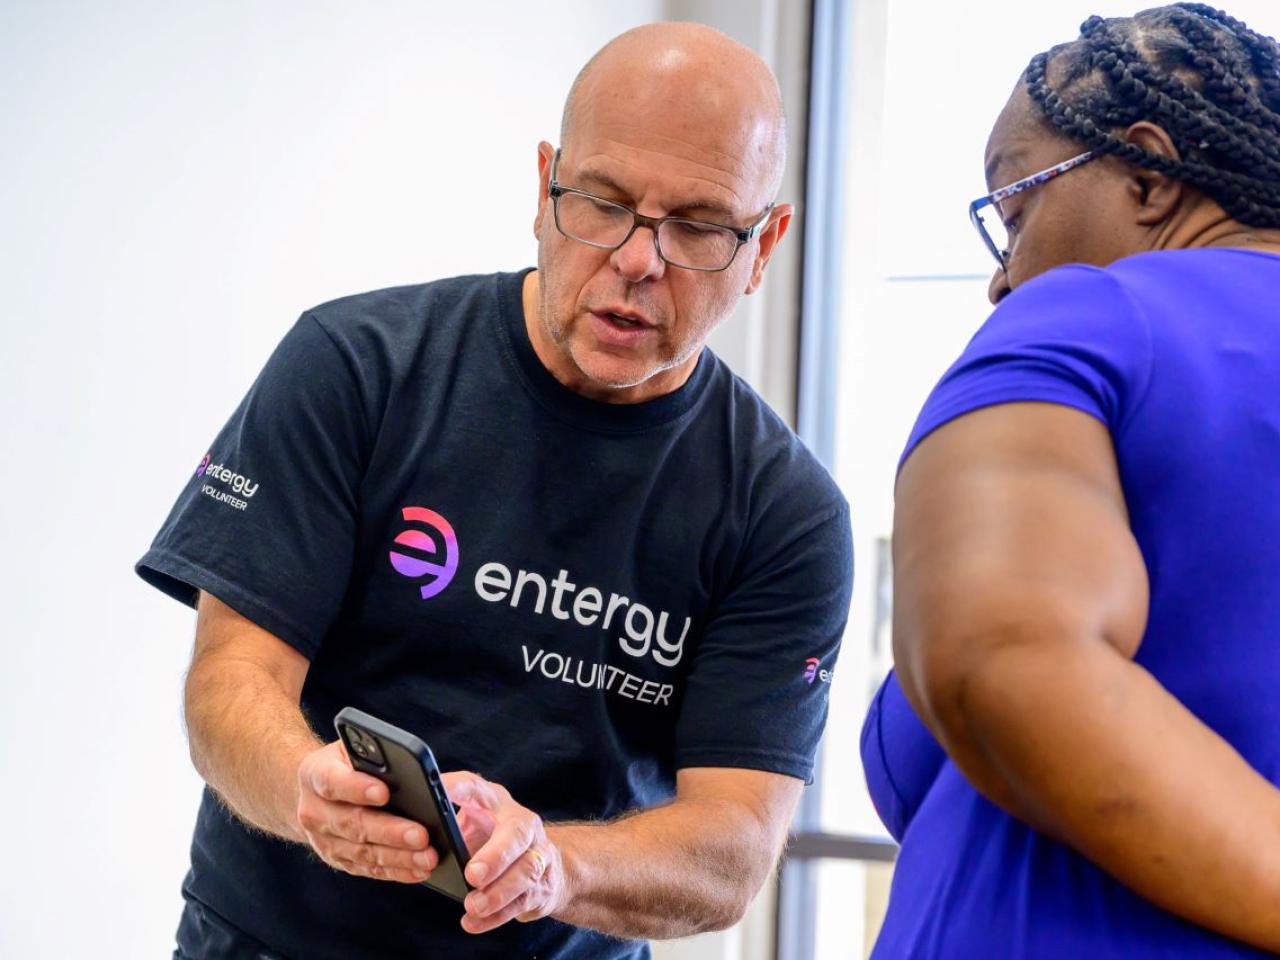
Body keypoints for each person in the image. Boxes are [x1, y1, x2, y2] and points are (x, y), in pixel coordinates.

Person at [136, 20, 852, 960]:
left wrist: (556, 866)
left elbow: (730, 853)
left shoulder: (782, 511)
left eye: (698, 227)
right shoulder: (356, 369)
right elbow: (231, 683)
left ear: (765, 246)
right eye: (602, 202)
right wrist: (306, 785)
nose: (639, 259)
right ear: (544, 187)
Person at [861, 3, 1280, 956]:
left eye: (1015, 214)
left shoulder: (1088, 317)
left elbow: (1003, 665)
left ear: (1145, 171)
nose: (1002, 280)